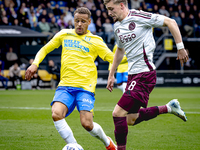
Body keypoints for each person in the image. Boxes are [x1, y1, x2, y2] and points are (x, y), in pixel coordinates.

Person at [25, 7, 127, 150]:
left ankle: (108, 143)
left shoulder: (96, 41)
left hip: (85, 88)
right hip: (65, 85)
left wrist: (133, 56)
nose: (79, 24)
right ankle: (74, 146)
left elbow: (112, 58)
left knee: (87, 124)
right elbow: (45, 49)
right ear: (73, 21)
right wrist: (35, 64)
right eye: (77, 21)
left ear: (89, 22)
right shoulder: (64, 34)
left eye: (83, 21)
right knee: (56, 114)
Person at [103, 0, 189, 150]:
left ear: (122, 5)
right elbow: (120, 50)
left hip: (145, 74)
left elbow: (171, 22)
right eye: (107, 10)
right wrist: (112, 74)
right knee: (130, 119)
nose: (109, 13)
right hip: (133, 76)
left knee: (117, 113)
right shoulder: (117, 27)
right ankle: (169, 108)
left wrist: (180, 47)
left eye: (111, 9)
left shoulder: (139, 16)